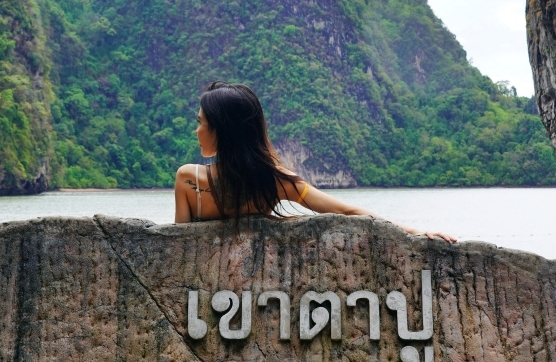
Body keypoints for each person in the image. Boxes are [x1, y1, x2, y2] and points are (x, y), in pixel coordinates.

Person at [174, 82, 455, 242]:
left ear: (222, 130)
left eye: (201, 123)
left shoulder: (188, 180)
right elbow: (344, 210)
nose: (196, 130)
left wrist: (418, 232)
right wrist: (417, 232)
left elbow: (176, 246)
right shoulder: (273, 182)